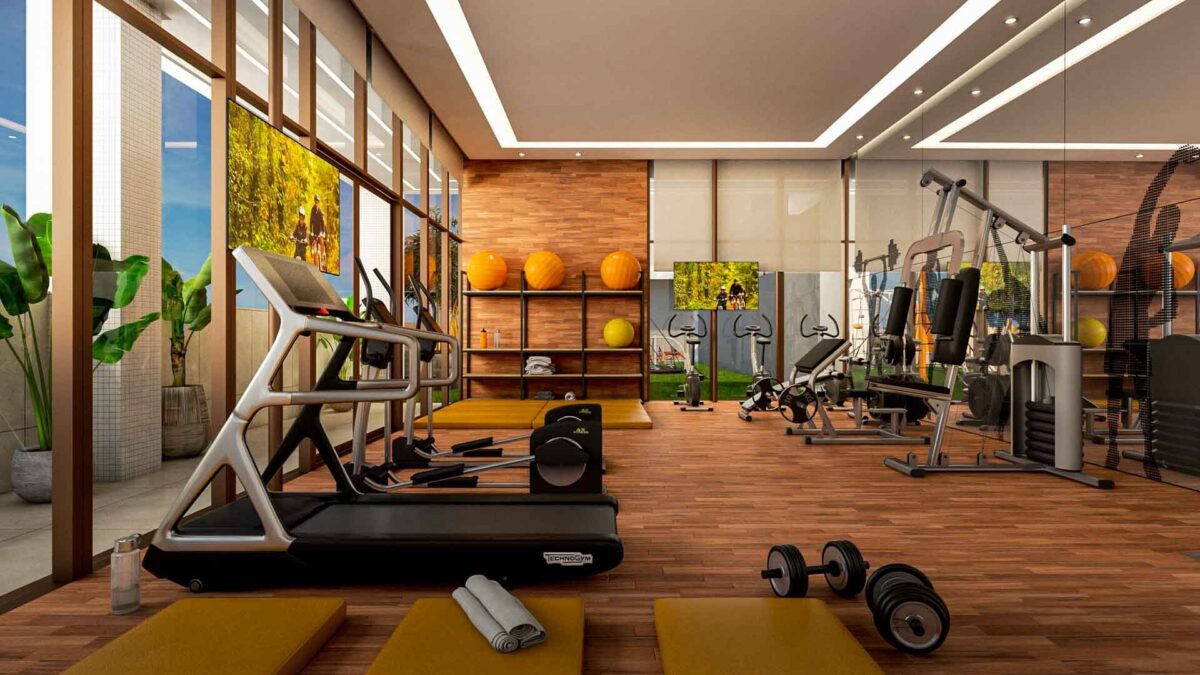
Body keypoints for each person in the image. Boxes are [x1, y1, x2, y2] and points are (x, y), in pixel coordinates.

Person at [309, 195, 326, 268]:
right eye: (316, 201)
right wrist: (311, 231)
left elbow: (323, 223)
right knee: (315, 251)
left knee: (321, 240)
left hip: (320, 232)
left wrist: (323, 232)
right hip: (314, 233)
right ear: (314, 201)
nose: (317, 202)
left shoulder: (320, 211)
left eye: (318, 201)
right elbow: (310, 222)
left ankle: (323, 258)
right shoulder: (312, 210)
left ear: (319, 202)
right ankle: (315, 265)